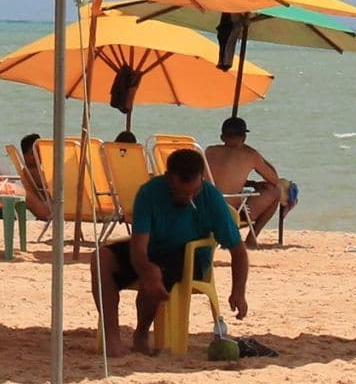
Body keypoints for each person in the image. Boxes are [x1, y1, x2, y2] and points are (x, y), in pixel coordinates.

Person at [96, 147, 249, 358]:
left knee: (157, 271)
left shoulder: (210, 197)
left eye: (194, 192)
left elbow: (238, 251)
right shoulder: (150, 192)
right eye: (182, 192)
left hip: (190, 256)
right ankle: (112, 338)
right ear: (168, 178)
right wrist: (146, 268)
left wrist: (238, 291)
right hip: (153, 249)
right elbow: (139, 245)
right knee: (102, 258)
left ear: (201, 179)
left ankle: (141, 334)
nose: (189, 198)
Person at [203, 116, 291, 238]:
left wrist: (252, 183)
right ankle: (251, 239)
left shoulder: (210, 151)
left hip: (207, 209)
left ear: (222, 137)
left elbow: (220, 179)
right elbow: (275, 180)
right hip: (232, 213)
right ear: (244, 137)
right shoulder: (250, 154)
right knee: (276, 191)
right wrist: (258, 155)